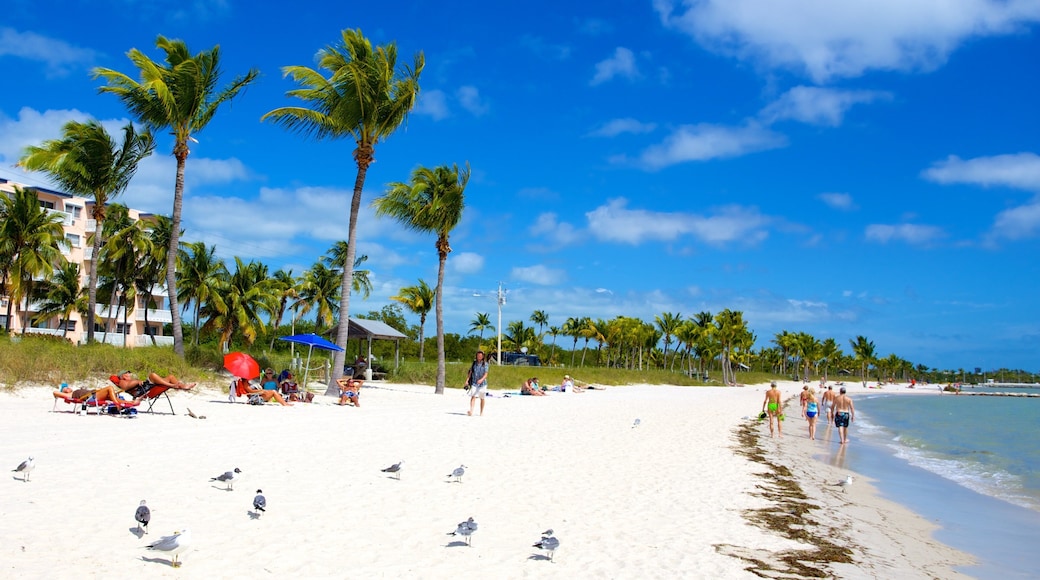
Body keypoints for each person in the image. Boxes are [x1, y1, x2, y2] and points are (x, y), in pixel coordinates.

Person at [117, 370, 196, 397]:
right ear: (122, 376)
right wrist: (137, 381)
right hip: (142, 391)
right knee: (152, 375)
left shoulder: (129, 380)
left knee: (171, 377)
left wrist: (137, 381)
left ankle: (183, 386)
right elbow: (126, 387)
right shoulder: (121, 381)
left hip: (146, 388)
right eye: (126, 373)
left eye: (129, 373)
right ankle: (173, 386)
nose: (129, 374)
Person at [465, 350, 489, 416]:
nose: (479, 356)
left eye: (480, 355)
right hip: (474, 383)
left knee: (482, 398)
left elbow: (486, 374)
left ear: (483, 356)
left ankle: (481, 412)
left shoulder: (485, 364)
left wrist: (481, 380)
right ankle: (471, 411)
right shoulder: (474, 363)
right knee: (473, 396)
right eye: (478, 355)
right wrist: (467, 380)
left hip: (483, 384)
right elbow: (470, 373)